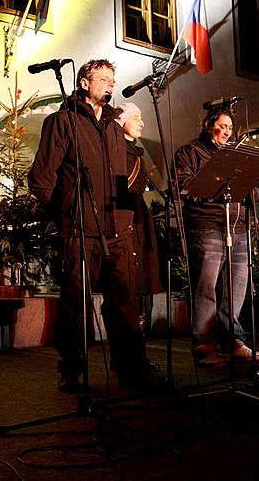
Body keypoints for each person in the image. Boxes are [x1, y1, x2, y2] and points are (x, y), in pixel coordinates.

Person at [28, 59, 156, 392]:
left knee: (124, 303)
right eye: (103, 79)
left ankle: (131, 368)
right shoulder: (62, 122)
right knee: (75, 304)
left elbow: (121, 179)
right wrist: (67, 215)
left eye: (113, 79)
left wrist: (127, 220)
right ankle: (71, 369)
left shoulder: (115, 127)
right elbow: (41, 179)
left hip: (117, 231)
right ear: (84, 83)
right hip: (79, 230)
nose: (111, 84)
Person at [173, 106, 259, 365]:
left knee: (236, 288)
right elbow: (184, 186)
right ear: (207, 124)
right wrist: (214, 180)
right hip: (207, 224)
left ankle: (231, 339)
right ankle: (204, 344)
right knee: (207, 287)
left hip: (237, 226)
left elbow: (252, 190)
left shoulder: (236, 154)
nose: (226, 131)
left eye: (230, 128)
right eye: (222, 126)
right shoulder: (190, 152)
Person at [114, 102, 163, 371]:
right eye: (136, 117)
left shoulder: (134, 151)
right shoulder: (119, 150)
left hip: (138, 217)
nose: (142, 123)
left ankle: (137, 354)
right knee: (130, 288)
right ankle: (130, 357)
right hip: (127, 219)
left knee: (142, 284)